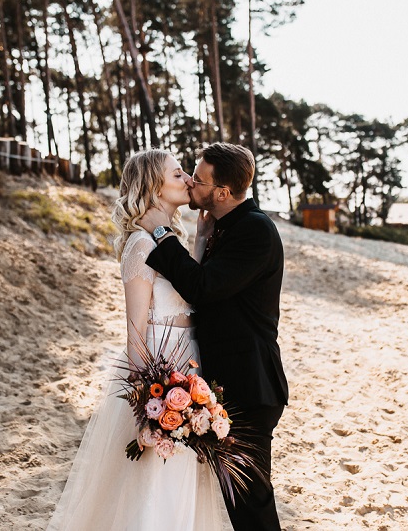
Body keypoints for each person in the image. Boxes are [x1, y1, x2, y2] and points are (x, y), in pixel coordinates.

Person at [47, 150, 225, 531]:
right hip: (159, 364)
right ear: (153, 186)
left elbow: (192, 288)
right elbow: (136, 327)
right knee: (157, 473)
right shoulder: (141, 245)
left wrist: (203, 237)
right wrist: (149, 397)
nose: (188, 180)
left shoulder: (172, 238)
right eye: (178, 174)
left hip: (188, 360)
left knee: (182, 469)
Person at [139, 142, 289, 531]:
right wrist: (200, 242)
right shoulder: (226, 225)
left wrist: (159, 231)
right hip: (230, 383)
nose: (190, 181)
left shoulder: (256, 231)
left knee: (251, 502)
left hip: (251, 386)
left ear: (221, 193)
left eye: (199, 179)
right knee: (241, 501)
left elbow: (203, 287)